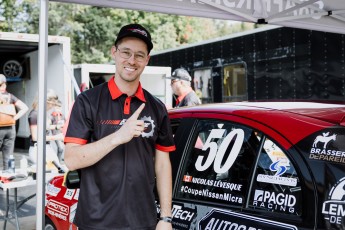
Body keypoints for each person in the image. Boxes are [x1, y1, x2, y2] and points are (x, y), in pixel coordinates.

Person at [64, 23, 176, 230]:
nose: (132, 61)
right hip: (96, 222)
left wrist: (166, 217)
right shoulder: (88, 101)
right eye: (126, 52)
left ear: (147, 60)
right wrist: (117, 136)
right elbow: (71, 160)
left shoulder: (157, 108)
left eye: (139, 55)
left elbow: (162, 165)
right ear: (114, 52)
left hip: (144, 222)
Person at [28, 89, 64, 169]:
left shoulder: (42, 113)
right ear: (47, 102)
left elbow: (45, 127)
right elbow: (36, 137)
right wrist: (56, 137)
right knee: (54, 172)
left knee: (57, 170)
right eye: (52, 104)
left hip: (46, 147)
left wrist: (57, 127)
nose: (52, 107)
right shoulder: (34, 115)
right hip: (38, 149)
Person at [0, 74, 29, 171]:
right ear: (4, 85)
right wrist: (13, 119)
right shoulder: (10, 97)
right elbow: (25, 108)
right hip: (10, 128)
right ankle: (7, 180)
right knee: (8, 157)